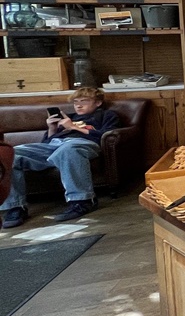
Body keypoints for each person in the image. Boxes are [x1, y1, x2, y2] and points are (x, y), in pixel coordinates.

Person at [1, 87, 121, 228]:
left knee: (68, 149)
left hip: (81, 144)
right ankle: (16, 207)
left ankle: (82, 201)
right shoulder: (68, 117)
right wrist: (52, 128)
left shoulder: (107, 115)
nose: (78, 105)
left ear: (98, 103)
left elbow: (105, 135)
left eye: (84, 101)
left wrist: (74, 128)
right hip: (54, 145)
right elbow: (47, 144)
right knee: (12, 153)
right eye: (76, 102)